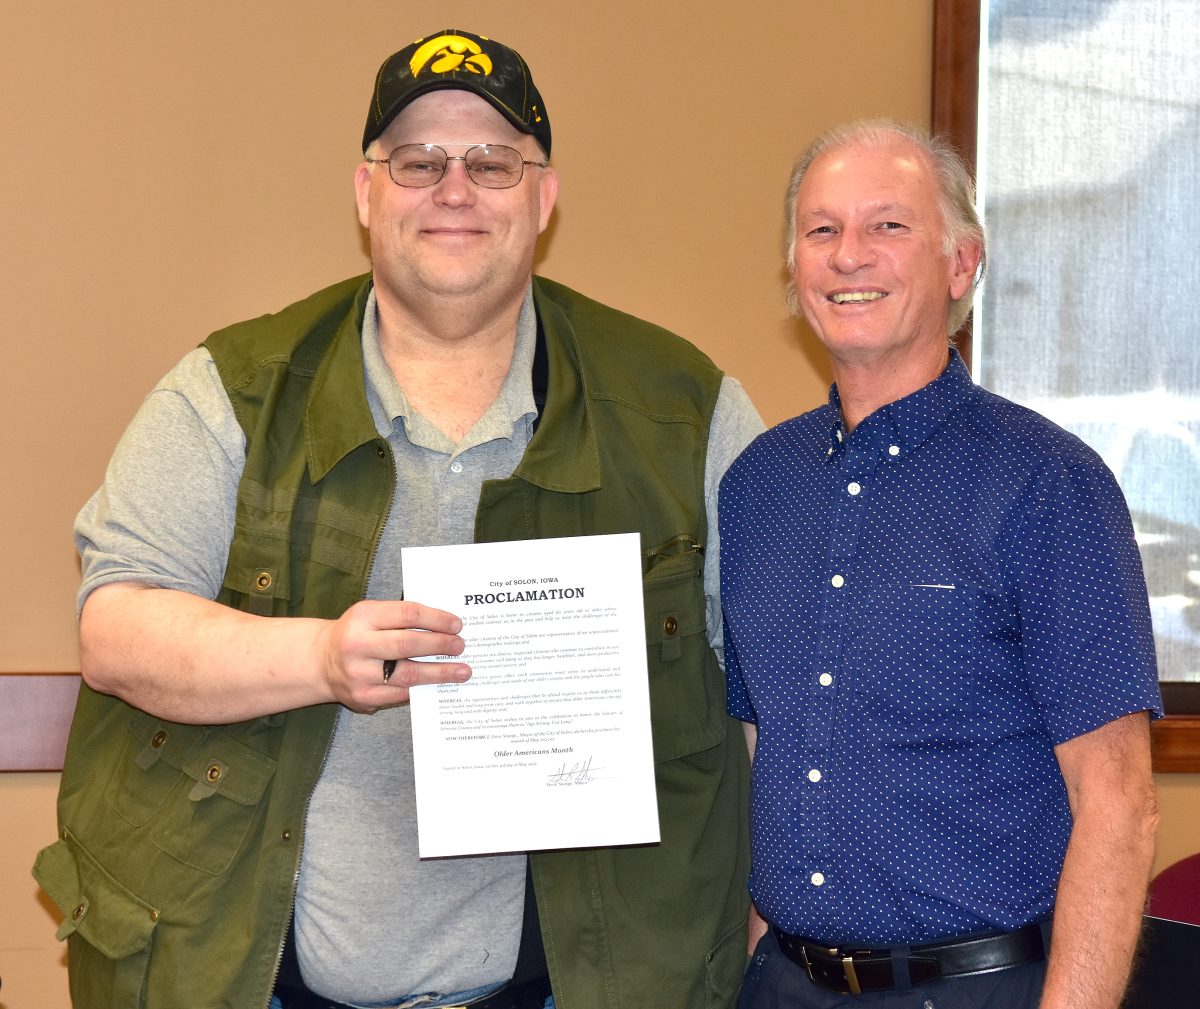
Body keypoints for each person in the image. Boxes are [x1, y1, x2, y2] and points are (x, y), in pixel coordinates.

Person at [33, 29, 763, 1009]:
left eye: (492, 161)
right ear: (367, 193)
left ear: (544, 198)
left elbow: (775, 695)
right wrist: (322, 659)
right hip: (265, 983)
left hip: (579, 984)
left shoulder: (684, 410)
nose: (454, 189)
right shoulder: (234, 390)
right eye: (417, 162)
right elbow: (116, 630)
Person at [719, 118, 1162, 1009]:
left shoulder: (1050, 486)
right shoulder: (756, 487)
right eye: (821, 229)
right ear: (793, 271)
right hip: (785, 986)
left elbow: (1118, 803)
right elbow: (764, 753)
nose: (849, 256)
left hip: (981, 987)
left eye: (888, 226)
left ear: (962, 264)